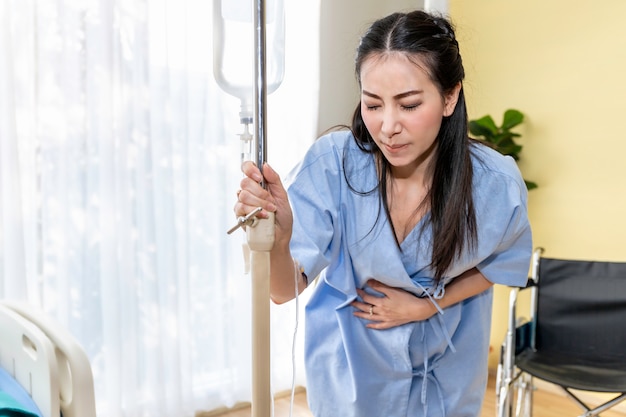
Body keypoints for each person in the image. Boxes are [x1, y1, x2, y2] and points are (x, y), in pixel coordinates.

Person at [234, 9, 532, 417]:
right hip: (350, 377)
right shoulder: (333, 165)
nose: (388, 125)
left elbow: (503, 264)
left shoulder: (494, 184)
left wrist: (426, 305)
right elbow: (283, 290)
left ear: (450, 97)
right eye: (373, 104)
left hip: (444, 373)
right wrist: (281, 240)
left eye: (408, 105)